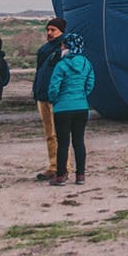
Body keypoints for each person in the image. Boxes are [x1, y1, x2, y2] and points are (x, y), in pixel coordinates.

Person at [48, 31, 97, 186]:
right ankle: (80, 175)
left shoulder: (61, 65)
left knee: (63, 143)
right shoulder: (86, 63)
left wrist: (54, 100)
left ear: (67, 46)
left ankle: (61, 175)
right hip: (81, 107)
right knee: (79, 141)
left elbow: (54, 87)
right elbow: (90, 83)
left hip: (63, 107)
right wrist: (82, 95)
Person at [32, 18, 66, 180]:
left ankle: (63, 167)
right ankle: (53, 166)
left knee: (59, 133)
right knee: (49, 134)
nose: (49, 33)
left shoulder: (64, 49)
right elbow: (39, 72)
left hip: (56, 97)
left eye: (53, 30)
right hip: (42, 95)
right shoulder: (44, 49)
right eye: (48, 30)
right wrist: (35, 91)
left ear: (61, 31)